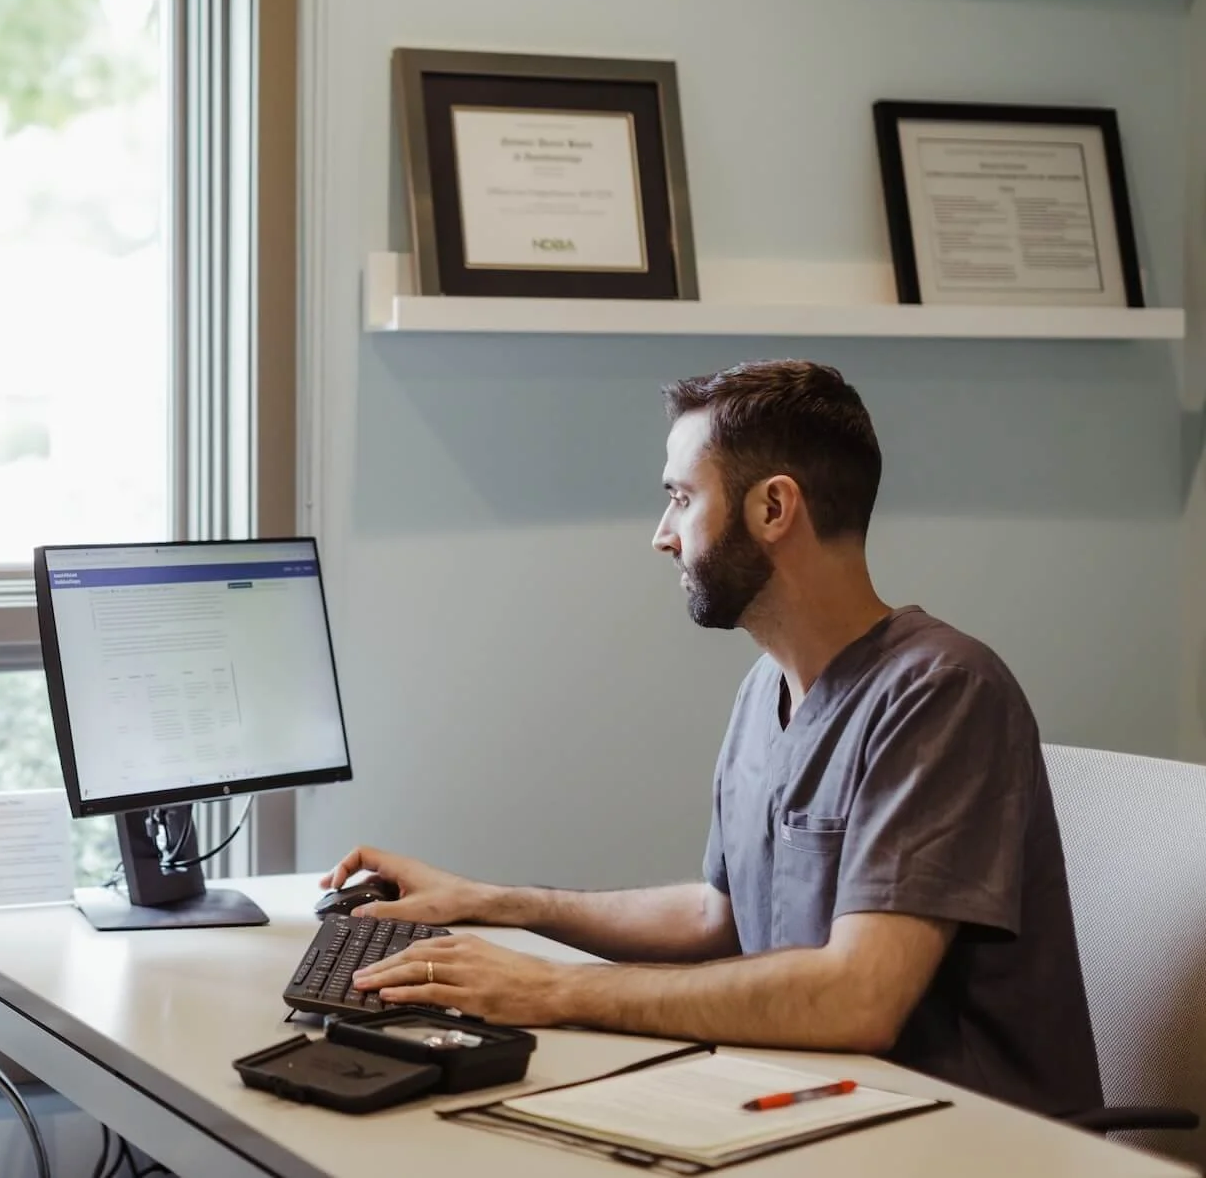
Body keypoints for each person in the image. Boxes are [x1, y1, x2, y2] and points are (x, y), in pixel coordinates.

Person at [336, 359, 1102, 1118]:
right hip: (812, 1104)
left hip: (966, 1137)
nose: (662, 535)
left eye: (680, 497)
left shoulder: (942, 690)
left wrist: (552, 988)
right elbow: (720, 917)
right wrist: (493, 902)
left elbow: (858, 997)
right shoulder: (765, 687)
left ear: (774, 508)